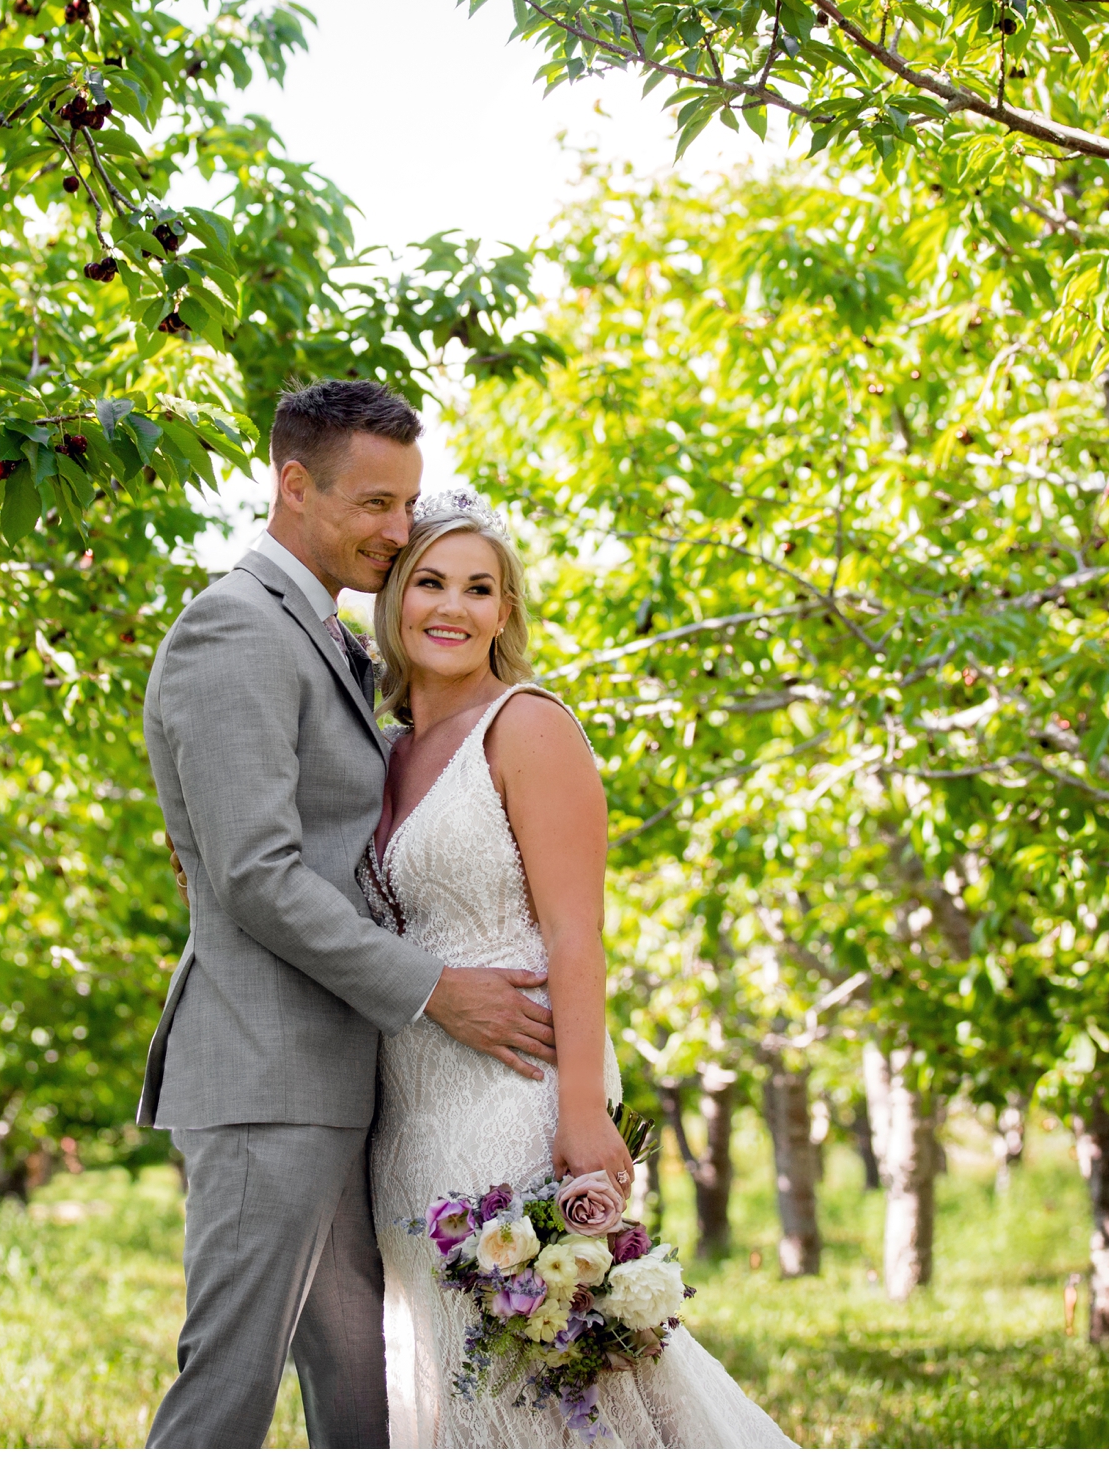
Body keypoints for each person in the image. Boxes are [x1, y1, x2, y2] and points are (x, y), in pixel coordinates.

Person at [138, 380, 561, 1449]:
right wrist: (433, 989)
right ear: (293, 485)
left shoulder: (318, 635)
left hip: (338, 1072)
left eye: (406, 502)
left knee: (359, 1388)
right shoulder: (232, 629)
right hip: (263, 1071)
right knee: (226, 1387)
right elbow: (258, 874)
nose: (398, 528)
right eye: (375, 504)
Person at [364, 493, 796, 1448]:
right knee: (445, 1373)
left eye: (482, 588)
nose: (454, 606)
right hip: (408, 1105)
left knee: (538, 1374)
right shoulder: (383, 751)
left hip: (515, 1095)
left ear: (506, 611)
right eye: (431, 580)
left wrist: (581, 1112)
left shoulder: (527, 726)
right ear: (394, 595)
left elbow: (574, 936)